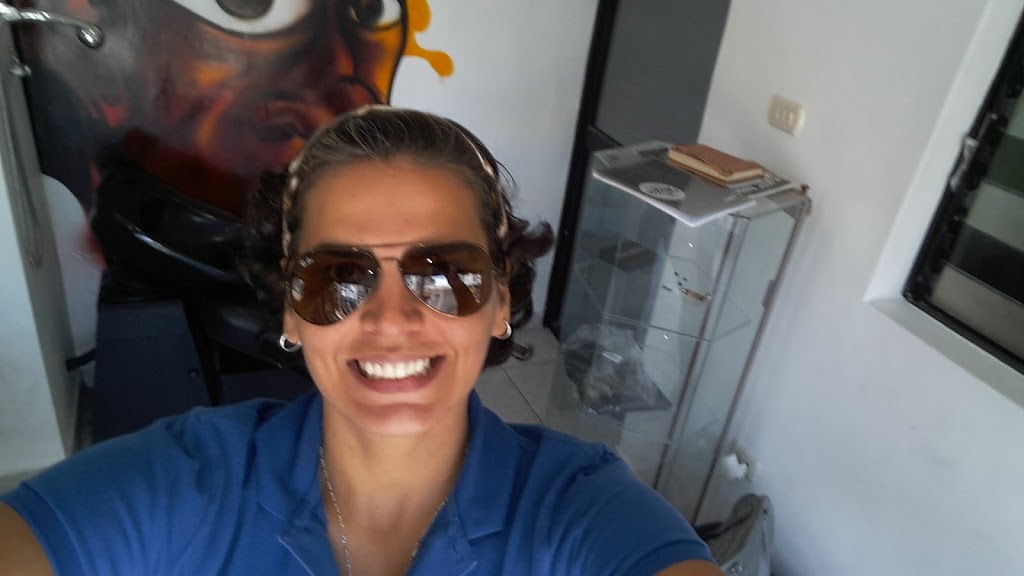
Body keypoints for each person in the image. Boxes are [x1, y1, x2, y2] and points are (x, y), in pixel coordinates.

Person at [0, 106, 723, 575]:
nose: (390, 319)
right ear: (291, 311)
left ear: (500, 300)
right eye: (337, 278)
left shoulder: (576, 510)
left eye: (444, 275)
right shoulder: (189, 480)